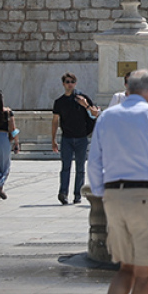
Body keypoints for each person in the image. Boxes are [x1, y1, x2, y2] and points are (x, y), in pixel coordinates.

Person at [88, 69, 148, 294]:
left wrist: (102, 193)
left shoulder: (107, 117)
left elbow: (93, 162)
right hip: (145, 193)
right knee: (145, 274)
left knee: (125, 267)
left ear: (129, 89)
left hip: (114, 196)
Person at [51, 72, 99, 205]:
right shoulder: (59, 102)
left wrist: (85, 105)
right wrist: (53, 139)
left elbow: (95, 114)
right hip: (66, 138)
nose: (70, 84)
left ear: (75, 83)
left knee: (80, 168)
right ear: (63, 84)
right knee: (65, 167)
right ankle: (63, 193)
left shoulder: (82, 98)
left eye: (72, 82)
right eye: (67, 82)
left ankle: (77, 194)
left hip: (81, 138)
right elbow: (55, 121)